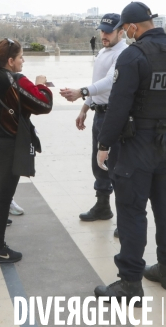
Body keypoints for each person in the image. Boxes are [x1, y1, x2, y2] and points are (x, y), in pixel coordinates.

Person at [93, 1, 166, 301]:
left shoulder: (133, 56)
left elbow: (119, 106)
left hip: (137, 143)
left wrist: (104, 144)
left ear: (134, 27)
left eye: (126, 29)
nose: (127, 33)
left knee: (131, 210)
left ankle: (130, 282)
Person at [0, 38, 52, 263]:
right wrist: (41, 85)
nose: (23, 61)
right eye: (20, 57)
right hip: (5, 145)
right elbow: (43, 104)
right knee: (3, 196)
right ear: (10, 60)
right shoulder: (14, 79)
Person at [60, 14, 127, 224]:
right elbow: (97, 82)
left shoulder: (124, 53)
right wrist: (86, 106)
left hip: (113, 115)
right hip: (100, 113)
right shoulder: (103, 52)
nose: (104, 35)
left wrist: (81, 91)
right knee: (98, 164)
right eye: (102, 31)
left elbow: (109, 82)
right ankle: (102, 206)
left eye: (108, 31)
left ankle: (125, 218)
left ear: (121, 31)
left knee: (116, 165)